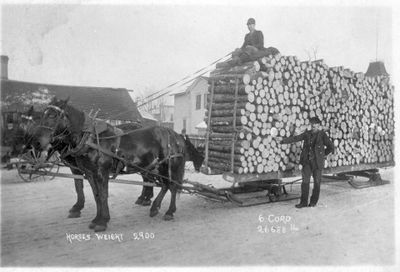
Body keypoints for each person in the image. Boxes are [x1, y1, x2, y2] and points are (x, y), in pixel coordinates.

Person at [279, 117, 334, 208]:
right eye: (312, 125)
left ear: (319, 126)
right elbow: (296, 138)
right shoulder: (307, 134)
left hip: (317, 163)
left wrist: (322, 155)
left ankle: (313, 202)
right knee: (305, 182)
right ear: (310, 125)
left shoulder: (322, 135)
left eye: (316, 125)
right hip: (307, 162)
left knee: (317, 183)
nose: (314, 126)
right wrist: (282, 141)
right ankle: (303, 202)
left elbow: (331, 147)